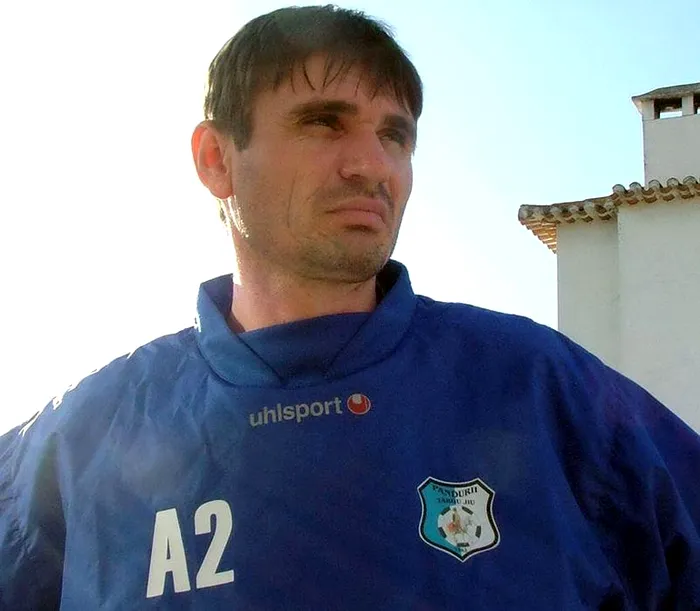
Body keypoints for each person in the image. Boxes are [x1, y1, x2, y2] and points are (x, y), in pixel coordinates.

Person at [1, 5, 699, 610]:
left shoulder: (547, 392)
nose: (372, 165)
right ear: (216, 158)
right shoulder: (78, 442)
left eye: (395, 135)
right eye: (323, 122)